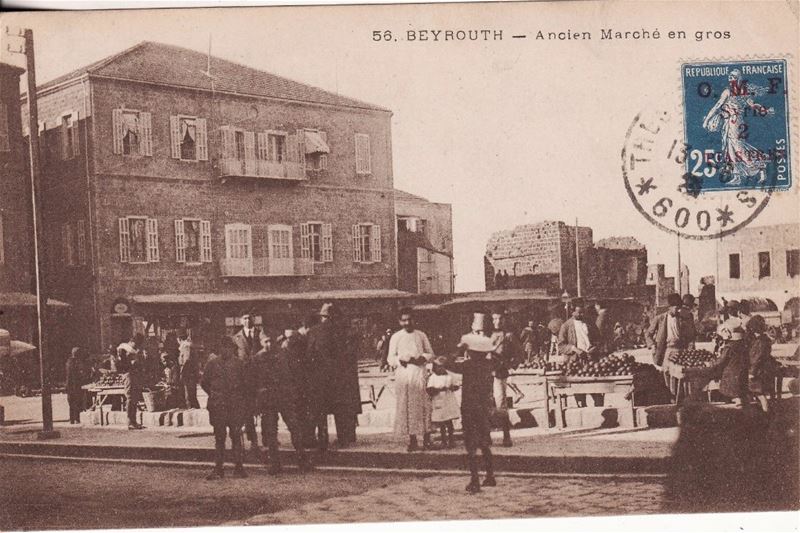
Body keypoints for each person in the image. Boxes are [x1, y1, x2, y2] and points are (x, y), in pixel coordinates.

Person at [447, 325, 498, 494]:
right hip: (484, 408)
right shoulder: (489, 364)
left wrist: (458, 349)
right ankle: (490, 476)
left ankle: (474, 480)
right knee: (485, 444)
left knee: (471, 447)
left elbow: (449, 363)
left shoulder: (468, 366)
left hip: (470, 409)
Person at [254, 332, 312, 474]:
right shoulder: (257, 358)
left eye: (270, 341)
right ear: (261, 342)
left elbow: (294, 373)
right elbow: (254, 381)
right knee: (271, 432)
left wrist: (293, 391)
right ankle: (275, 464)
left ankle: (302, 460)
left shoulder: (283, 354)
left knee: (294, 426)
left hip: (284, 397)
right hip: (268, 400)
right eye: (265, 342)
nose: (269, 344)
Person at [306, 302, 361, 451]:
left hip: (320, 378)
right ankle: (343, 438)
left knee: (321, 409)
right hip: (338, 378)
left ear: (323, 317)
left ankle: (323, 439)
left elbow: (309, 354)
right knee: (339, 408)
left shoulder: (314, 331)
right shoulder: (341, 332)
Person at [387, 307, 435, 452]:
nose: (407, 323)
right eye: (404, 320)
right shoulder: (396, 337)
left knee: (423, 406)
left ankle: (427, 438)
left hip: (419, 373)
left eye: (409, 319)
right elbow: (390, 357)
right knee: (407, 407)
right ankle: (412, 439)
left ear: (414, 320)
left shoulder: (421, 335)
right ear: (399, 321)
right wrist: (399, 360)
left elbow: (430, 353)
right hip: (404, 375)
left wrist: (423, 357)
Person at [201, 336, 248, 480]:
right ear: (220, 348)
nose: (226, 350)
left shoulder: (239, 364)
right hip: (218, 406)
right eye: (223, 347)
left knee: (236, 437)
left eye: (229, 347)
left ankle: (238, 468)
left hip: (234, 406)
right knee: (219, 438)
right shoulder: (212, 364)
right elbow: (204, 383)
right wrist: (215, 395)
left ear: (232, 349)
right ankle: (218, 469)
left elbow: (246, 385)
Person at [646, 293, 696, 398]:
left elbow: (692, 335)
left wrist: (691, 348)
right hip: (667, 350)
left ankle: (683, 398)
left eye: (679, 308)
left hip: (682, 350)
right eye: (675, 308)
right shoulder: (660, 318)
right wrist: (652, 345)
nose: (678, 311)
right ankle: (671, 397)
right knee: (667, 374)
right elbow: (648, 334)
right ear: (669, 307)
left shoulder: (685, 317)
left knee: (683, 375)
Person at [558, 300, 604, 407]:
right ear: (572, 312)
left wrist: (595, 347)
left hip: (591, 360)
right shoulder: (566, 326)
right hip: (575, 362)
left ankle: (599, 411)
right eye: (578, 312)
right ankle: (582, 409)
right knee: (579, 390)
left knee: (596, 389)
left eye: (582, 312)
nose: (581, 314)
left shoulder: (589, 323)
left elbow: (599, 339)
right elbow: (561, 346)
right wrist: (574, 349)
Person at [489, 309, 521, 447]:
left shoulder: (509, 336)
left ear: (505, 320)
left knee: (501, 405)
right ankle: (486, 436)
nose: (497, 321)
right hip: (485, 374)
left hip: (499, 374)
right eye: (494, 319)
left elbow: (520, 353)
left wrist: (509, 364)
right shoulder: (487, 335)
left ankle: (506, 436)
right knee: (486, 405)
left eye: (500, 318)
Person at [232, 312, 262, 452]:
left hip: (259, 378)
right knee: (248, 410)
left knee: (265, 409)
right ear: (240, 320)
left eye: (249, 318)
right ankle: (253, 440)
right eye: (244, 318)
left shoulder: (261, 334)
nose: (247, 320)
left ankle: (269, 438)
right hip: (244, 380)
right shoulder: (236, 337)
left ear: (254, 319)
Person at [747, 315, 780, 412]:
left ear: (753, 328)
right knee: (758, 394)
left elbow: (757, 359)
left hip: (758, 372)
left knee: (759, 394)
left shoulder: (760, 342)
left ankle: (766, 412)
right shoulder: (763, 340)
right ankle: (763, 411)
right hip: (762, 370)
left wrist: (752, 373)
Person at [426, 355, 460, 449]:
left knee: (449, 421)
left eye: (442, 366)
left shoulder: (449, 376)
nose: (440, 368)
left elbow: (456, 386)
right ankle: (444, 440)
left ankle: (451, 439)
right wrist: (437, 390)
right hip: (439, 400)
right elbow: (429, 389)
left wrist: (451, 387)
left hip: (448, 400)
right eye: (438, 366)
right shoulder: (433, 377)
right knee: (441, 422)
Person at [117, 334, 145, 430]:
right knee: (130, 397)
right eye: (136, 344)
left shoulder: (132, 350)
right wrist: (131, 363)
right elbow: (121, 364)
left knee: (134, 398)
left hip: (134, 374)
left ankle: (134, 421)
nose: (137, 347)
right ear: (132, 342)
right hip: (128, 374)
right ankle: (130, 421)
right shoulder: (123, 348)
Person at [65, 347, 86, 424]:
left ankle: (72, 419)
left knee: (72, 403)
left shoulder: (68, 362)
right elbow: (78, 374)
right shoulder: (76, 362)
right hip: (75, 385)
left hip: (70, 386)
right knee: (77, 402)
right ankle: (76, 418)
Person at [178, 337, 200, 409]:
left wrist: (182, 373)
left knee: (189, 395)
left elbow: (187, 361)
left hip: (188, 374)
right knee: (190, 394)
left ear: (179, 339)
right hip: (189, 373)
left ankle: (191, 410)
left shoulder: (186, 347)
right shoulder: (187, 346)